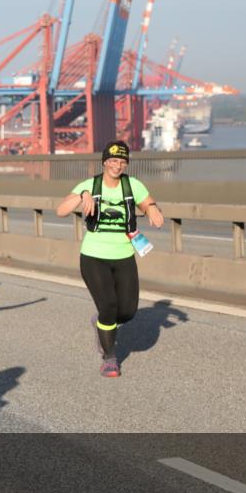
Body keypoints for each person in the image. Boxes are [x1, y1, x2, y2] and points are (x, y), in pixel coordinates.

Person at [56, 140, 164, 378]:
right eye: (113, 160)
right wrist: (82, 195)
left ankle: (101, 322)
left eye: (122, 161)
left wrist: (154, 209)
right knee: (108, 307)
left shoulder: (132, 185)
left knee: (127, 312)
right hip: (94, 256)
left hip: (124, 255)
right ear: (105, 162)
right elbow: (61, 210)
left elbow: (147, 203)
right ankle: (110, 357)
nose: (118, 165)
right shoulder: (90, 184)